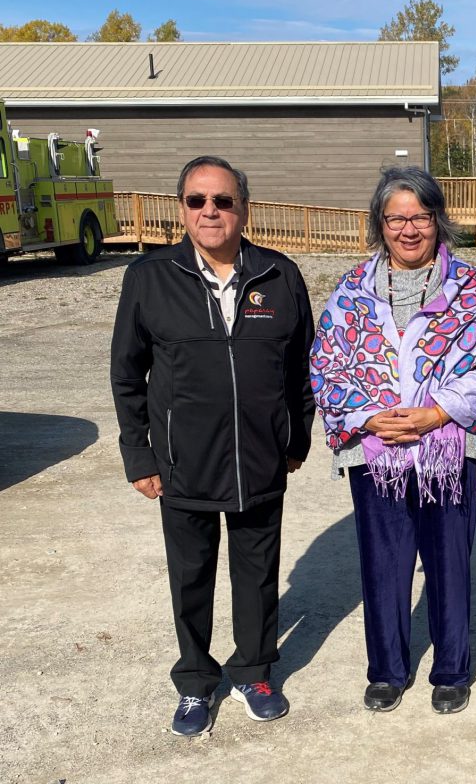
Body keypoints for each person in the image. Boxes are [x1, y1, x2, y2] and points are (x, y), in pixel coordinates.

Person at [110, 156, 314, 737]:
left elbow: (301, 369)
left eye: (223, 201)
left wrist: (295, 439)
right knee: (191, 576)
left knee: (258, 573)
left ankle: (254, 671)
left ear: (243, 208)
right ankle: (197, 681)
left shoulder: (278, 275)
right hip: (184, 463)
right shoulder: (150, 278)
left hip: (259, 459)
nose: (210, 211)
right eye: (197, 201)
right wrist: (139, 456)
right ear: (182, 209)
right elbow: (127, 374)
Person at [311, 167, 476, 715]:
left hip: (446, 447)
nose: (409, 228)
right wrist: (371, 418)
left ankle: (451, 669)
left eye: (420, 216)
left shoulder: (468, 288)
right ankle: (387, 670)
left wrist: (435, 413)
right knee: (384, 561)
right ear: (380, 224)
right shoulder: (352, 290)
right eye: (396, 218)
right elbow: (327, 365)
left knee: (449, 561)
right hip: (376, 449)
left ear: (437, 219)